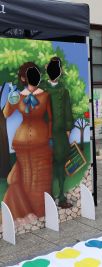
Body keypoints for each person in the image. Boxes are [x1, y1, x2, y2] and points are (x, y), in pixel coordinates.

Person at [3, 62, 53, 222]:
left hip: (31, 140)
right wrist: (11, 99)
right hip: (32, 141)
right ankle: (33, 210)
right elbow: (6, 113)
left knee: (34, 176)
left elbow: (6, 113)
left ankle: (35, 210)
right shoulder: (32, 96)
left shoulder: (37, 96)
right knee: (32, 176)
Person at [45, 57, 74, 209]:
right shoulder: (42, 89)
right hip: (46, 134)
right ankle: (48, 197)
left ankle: (61, 197)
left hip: (61, 134)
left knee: (61, 164)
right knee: (48, 165)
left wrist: (68, 129)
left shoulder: (64, 90)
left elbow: (68, 111)